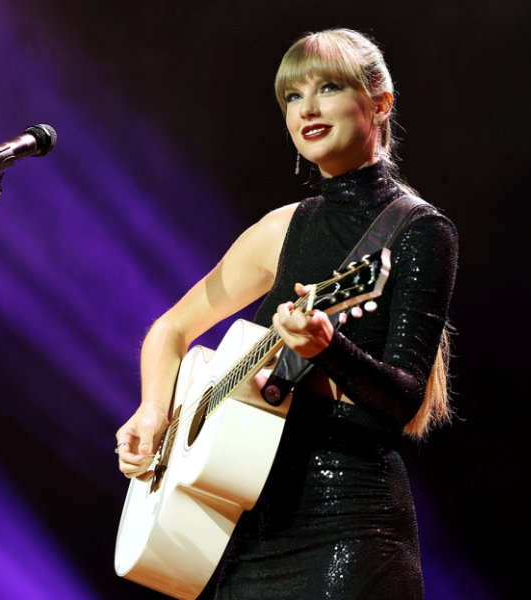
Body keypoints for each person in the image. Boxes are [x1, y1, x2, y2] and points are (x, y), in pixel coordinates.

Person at [115, 27, 458, 599]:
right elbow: (171, 329)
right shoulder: (281, 228)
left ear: (380, 102)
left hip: (347, 525)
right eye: (292, 97)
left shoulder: (420, 231)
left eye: (327, 87)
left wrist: (328, 348)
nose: (308, 108)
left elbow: (402, 398)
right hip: (245, 532)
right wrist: (153, 411)